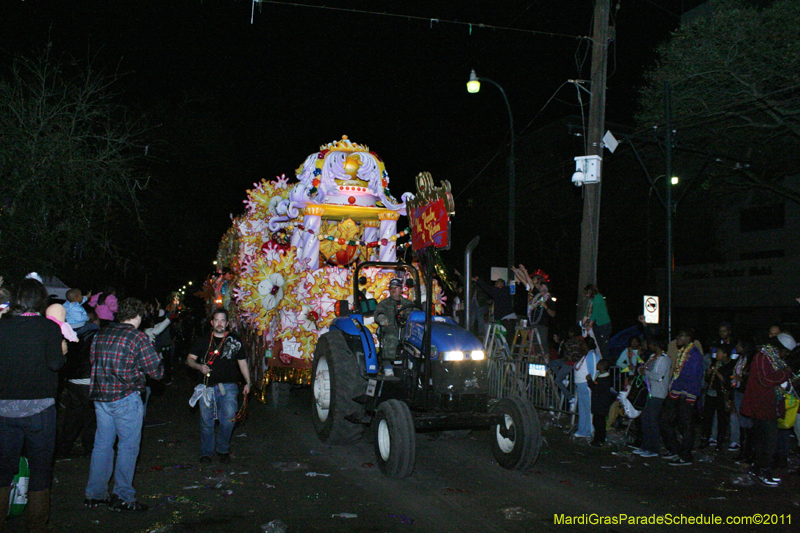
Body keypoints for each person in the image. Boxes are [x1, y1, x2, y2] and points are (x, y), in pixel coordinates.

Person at [84, 298, 163, 512]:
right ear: (138, 316)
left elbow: (93, 361)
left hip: (101, 397)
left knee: (102, 445)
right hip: (125, 397)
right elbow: (156, 371)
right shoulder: (138, 337)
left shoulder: (101, 334)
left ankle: (95, 494)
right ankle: (123, 496)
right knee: (127, 447)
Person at [0, 278, 65, 532]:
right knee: (40, 468)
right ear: (40, 300)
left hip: (4, 409)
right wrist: (62, 349)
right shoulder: (48, 327)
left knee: (3, 469)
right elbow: (55, 364)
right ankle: (37, 526)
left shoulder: (2, 326)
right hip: (39, 409)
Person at [186, 308, 251, 465]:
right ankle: (206, 452)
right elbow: (189, 359)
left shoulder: (234, 341)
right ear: (212, 322)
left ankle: (223, 449)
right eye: (217, 320)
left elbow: (242, 362)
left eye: (223, 320)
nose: (220, 323)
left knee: (229, 419)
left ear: (227, 323)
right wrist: (199, 367)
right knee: (206, 421)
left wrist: (248, 382)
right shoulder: (203, 340)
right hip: (206, 387)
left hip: (228, 386)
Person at [740, 334, 795, 487]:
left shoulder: (773, 359)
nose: (786, 355)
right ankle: (763, 470)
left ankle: (758, 469)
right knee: (768, 442)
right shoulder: (763, 358)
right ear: (779, 348)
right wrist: (786, 373)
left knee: (764, 442)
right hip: (761, 407)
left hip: (769, 406)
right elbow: (766, 380)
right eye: (785, 352)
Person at [660, 329, 704, 466]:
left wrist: (686, 393)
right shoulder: (682, 352)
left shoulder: (694, 354)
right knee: (664, 419)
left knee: (686, 426)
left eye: (681, 336)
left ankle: (685, 455)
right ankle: (674, 448)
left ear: (689, 338)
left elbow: (694, 376)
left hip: (686, 394)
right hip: (676, 392)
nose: (677, 338)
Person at [634, 336, 671, 458]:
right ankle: (646, 446)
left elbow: (659, 376)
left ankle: (654, 448)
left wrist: (646, 373)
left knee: (652, 420)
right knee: (645, 419)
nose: (650, 346)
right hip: (649, 392)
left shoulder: (665, 360)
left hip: (658, 393)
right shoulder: (652, 358)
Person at [699, 344, 736, 451]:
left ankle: (720, 442)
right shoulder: (715, 363)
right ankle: (705, 439)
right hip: (711, 393)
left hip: (720, 394)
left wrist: (716, 372)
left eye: (719, 352)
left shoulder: (729, 365)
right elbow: (707, 379)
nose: (717, 354)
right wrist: (709, 373)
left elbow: (726, 381)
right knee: (707, 417)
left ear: (725, 354)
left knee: (721, 418)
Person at [374, 278, 414, 365]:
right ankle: (388, 367)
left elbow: (417, 313)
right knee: (391, 337)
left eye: (396, 287)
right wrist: (382, 318)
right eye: (391, 288)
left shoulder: (409, 304)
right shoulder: (384, 303)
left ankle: (415, 366)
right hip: (389, 328)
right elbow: (378, 313)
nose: (393, 290)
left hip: (406, 329)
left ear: (401, 289)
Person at [473, 275, 517, 347]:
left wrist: (478, 281)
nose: (495, 285)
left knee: (507, 339)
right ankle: (509, 354)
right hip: (508, 317)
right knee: (508, 339)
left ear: (500, 285)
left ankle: (509, 354)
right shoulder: (505, 291)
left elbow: (488, 288)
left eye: (496, 284)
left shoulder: (499, 292)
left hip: (506, 318)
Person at [573, 336, 600, 439]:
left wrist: (591, 385)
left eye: (583, 344)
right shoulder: (586, 355)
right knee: (582, 409)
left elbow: (594, 372)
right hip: (581, 386)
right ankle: (582, 430)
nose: (581, 346)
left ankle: (589, 431)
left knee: (588, 410)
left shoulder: (592, 356)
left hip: (587, 386)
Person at [588, 359, 616, 447]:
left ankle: (599, 440)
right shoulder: (601, 376)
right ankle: (599, 439)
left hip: (601, 403)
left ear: (602, 366)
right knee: (598, 422)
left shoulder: (604, 379)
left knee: (599, 422)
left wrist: (589, 381)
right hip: (599, 402)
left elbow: (595, 388)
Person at [582, 284, 611, 359]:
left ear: (591, 292)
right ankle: (599, 361)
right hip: (597, 325)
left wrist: (589, 325)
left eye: (586, 293)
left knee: (603, 346)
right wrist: (581, 324)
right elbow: (587, 313)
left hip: (603, 325)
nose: (586, 295)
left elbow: (593, 314)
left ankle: (605, 364)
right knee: (597, 344)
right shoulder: (591, 300)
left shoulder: (598, 298)